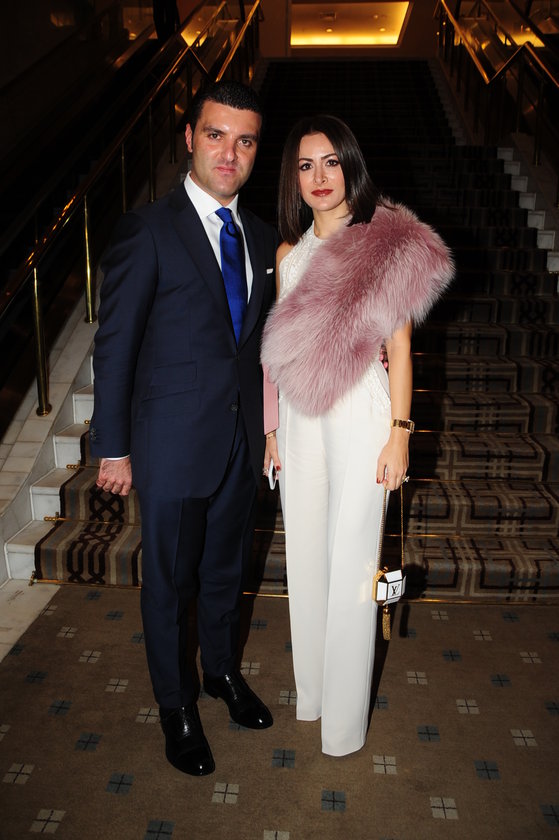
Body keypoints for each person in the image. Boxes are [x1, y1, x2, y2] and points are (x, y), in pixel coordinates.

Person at [89, 81, 278, 776]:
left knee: (226, 572)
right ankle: (176, 705)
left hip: (240, 441)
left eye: (245, 140)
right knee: (168, 583)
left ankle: (220, 672)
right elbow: (116, 345)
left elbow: (260, 346)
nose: (230, 152)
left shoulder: (263, 237)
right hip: (169, 442)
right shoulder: (147, 229)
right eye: (217, 135)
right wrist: (113, 447)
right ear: (191, 138)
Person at [261, 115, 454, 757]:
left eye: (331, 162)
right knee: (306, 558)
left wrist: (399, 433)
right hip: (298, 418)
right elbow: (277, 351)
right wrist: (272, 430)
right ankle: (313, 697)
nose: (319, 177)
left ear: (351, 166)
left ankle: (343, 726)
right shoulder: (288, 256)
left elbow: (400, 348)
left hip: (361, 411)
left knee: (351, 566)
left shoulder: (381, 244)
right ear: (293, 178)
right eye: (305, 165)